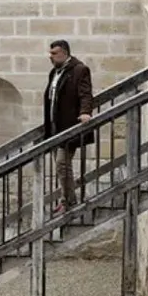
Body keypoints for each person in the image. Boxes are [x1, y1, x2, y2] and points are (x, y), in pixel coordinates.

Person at [42, 39, 94, 214]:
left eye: (54, 53)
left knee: (62, 164)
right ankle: (66, 199)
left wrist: (85, 112)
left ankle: (70, 201)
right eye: (50, 53)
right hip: (55, 127)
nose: (50, 56)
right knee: (62, 166)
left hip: (69, 126)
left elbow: (86, 94)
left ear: (64, 53)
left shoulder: (79, 70)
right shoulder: (54, 72)